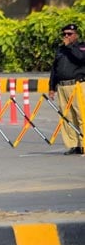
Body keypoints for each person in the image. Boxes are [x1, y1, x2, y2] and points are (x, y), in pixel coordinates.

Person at [48, 23, 85, 155]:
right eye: (64, 34)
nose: (66, 36)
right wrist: (52, 87)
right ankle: (74, 144)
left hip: (77, 86)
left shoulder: (81, 47)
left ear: (76, 35)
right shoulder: (60, 50)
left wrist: (70, 46)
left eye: (69, 34)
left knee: (81, 115)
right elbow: (54, 69)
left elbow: (81, 59)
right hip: (62, 87)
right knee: (67, 116)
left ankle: (84, 144)